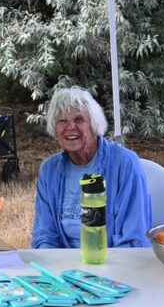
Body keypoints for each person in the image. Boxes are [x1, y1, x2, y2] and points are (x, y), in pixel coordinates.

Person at [32, 86, 152, 249]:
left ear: (94, 125)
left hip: (113, 261)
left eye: (79, 119)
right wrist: (51, 262)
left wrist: (99, 265)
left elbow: (133, 240)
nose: (70, 127)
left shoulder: (125, 164)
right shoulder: (49, 170)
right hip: (64, 264)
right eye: (62, 121)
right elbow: (44, 235)